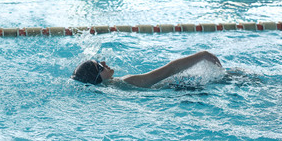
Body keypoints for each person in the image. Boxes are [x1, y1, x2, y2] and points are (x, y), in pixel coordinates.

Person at [71, 51, 222, 88]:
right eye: (99, 65)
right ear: (97, 77)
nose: (104, 61)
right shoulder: (127, 81)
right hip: (182, 91)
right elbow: (168, 70)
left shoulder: (115, 87)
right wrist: (202, 55)